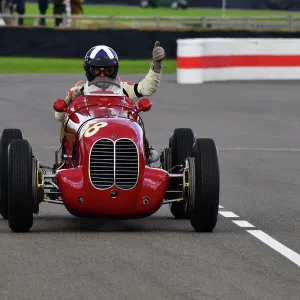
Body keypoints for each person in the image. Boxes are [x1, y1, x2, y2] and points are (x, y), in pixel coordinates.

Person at [55, 41, 166, 164]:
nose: (102, 75)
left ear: (114, 70)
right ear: (89, 70)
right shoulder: (78, 90)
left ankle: (142, 152)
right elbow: (59, 116)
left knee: (136, 126)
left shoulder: (123, 89)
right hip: (89, 135)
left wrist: (157, 65)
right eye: (96, 70)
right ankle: (72, 159)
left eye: (107, 70)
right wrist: (70, 99)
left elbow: (147, 87)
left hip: (121, 133)